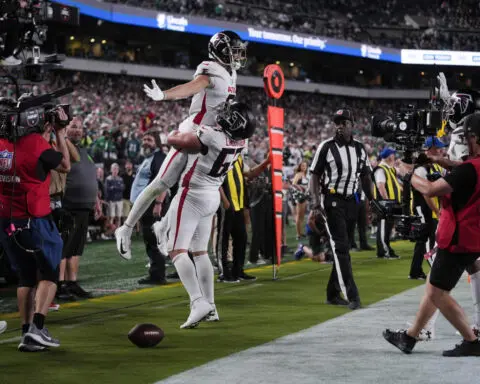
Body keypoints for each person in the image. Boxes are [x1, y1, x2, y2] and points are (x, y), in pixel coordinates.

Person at [115, 30, 247, 259]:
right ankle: (125, 229)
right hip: (193, 133)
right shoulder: (210, 69)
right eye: (233, 51)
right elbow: (193, 86)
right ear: (221, 51)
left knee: (191, 187)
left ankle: (163, 226)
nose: (238, 56)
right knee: (162, 183)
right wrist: (164, 95)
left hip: (210, 138)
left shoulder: (231, 73)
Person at [128, 102, 255, 328]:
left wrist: (180, 129)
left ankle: (197, 302)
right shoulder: (242, 142)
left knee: (176, 250)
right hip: (212, 196)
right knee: (200, 252)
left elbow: (173, 139)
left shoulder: (211, 136)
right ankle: (211, 306)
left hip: (192, 194)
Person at [383, 113, 480, 357]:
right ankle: (410, 337)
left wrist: (406, 174)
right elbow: (464, 170)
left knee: (437, 292)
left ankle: (471, 340)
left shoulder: (469, 170)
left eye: (466, 137)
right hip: (470, 236)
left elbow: (430, 188)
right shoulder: (473, 168)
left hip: (457, 238)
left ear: (475, 138)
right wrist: (437, 161)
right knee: (433, 285)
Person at [0, 104, 71, 352]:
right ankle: (38, 328)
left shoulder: (1, 144)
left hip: (7, 219)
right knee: (50, 274)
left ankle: (26, 331)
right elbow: (65, 165)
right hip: (35, 218)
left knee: (26, 277)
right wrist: (60, 133)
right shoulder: (36, 144)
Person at [309, 108, 373, 310]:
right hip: (332, 201)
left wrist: (372, 200)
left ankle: (332, 293)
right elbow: (314, 175)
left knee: (344, 248)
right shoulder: (326, 147)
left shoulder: (360, 149)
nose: (340, 126)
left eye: (344, 123)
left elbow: (366, 175)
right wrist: (316, 202)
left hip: (352, 202)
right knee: (341, 248)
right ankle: (352, 295)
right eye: (337, 123)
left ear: (352, 125)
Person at [57, 116, 98, 300]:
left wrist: (96, 200)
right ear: (65, 129)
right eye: (73, 126)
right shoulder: (62, 147)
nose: (78, 130)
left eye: (80, 128)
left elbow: (89, 176)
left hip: (84, 205)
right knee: (64, 247)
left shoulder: (84, 150)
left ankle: (72, 283)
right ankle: (59, 285)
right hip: (69, 204)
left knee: (76, 248)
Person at [129, 130, 167, 285]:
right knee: (149, 240)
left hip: (152, 205)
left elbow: (164, 182)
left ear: (156, 142)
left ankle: (157, 275)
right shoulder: (148, 158)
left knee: (153, 240)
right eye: (144, 139)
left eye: (149, 139)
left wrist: (158, 203)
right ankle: (155, 273)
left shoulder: (158, 158)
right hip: (145, 206)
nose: (145, 142)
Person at [409, 137, 447, 280]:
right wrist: (437, 211)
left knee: (424, 240)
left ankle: (415, 271)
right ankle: (433, 269)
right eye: (438, 148)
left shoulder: (430, 167)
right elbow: (426, 194)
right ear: (429, 149)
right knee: (427, 239)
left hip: (429, 209)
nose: (440, 150)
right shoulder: (421, 169)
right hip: (424, 209)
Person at [373, 147, 401, 259]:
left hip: (390, 203)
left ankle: (385, 248)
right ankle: (384, 251)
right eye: (393, 154)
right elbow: (381, 186)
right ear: (389, 156)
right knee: (384, 227)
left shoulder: (389, 168)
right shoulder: (381, 169)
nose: (394, 156)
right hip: (385, 203)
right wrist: (387, 202)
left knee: (388, 227)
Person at [292, 161, 309, 240]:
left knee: (302, 215)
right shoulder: (298, 174)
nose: (304, 167)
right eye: (302, 166)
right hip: (299, 196)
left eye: (305, 166)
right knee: (299, 215)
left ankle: (301, 232)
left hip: (304, 195)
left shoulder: (306, 174)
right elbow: (294, 184)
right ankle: (298, 234)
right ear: (300, 167)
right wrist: (302, 188)